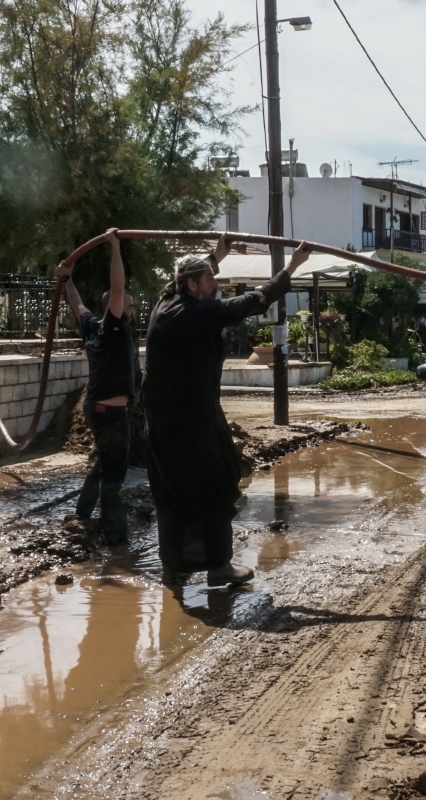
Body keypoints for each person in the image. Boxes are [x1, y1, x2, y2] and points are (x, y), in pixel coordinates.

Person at [144, 237, 311, 587]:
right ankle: (219, 565)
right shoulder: (197, 312)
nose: (216, 285)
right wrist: (292, 267)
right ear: (192, 285)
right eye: (210, 280)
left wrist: (218, 254)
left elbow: (192, 274)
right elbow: (254, 301)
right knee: (218, 483)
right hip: (193, 421)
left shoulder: (167, 301)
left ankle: (174, 568)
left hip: (163, 422)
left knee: (172, 492)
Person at [58, 229, 135, 545]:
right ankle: (117, 540)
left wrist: (66, 279)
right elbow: (118, 287)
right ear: (116, 309)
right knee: (114, 477)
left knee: (102, 465)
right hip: (113, 414)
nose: (131, 309)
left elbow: (77, 304)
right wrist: (114, 247)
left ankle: (83, 515)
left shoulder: (91, 327)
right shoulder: (115, 327)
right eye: (128, 305)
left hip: (96, 408)